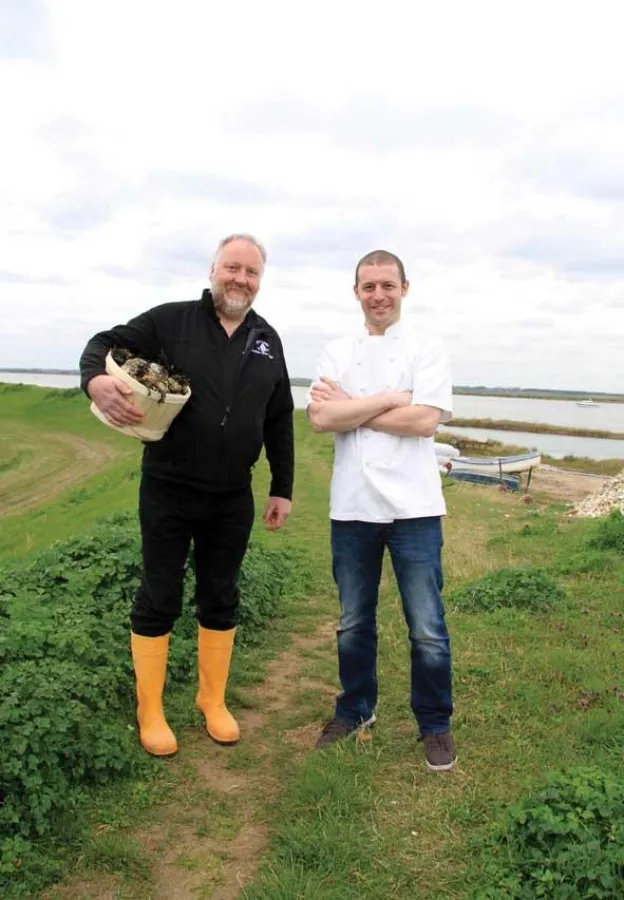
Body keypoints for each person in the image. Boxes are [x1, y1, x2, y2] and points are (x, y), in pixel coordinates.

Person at [79, 234, 294, 758]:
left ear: (260, 281)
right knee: (160, 595)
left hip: (231, 496)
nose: (240, 279)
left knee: (221, 594)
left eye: (251, 272)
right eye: (232, 268)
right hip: (168, 488)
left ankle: (211, 699)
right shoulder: (170, 320)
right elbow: (102, 343)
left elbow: (279, 415)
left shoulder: (267, 340)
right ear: (213, 269)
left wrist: (282, 488)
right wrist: (94, 381)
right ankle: (149, 709)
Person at [306, 249, 456, 771]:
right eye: (368, 286)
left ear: (404, 289)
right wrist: (393, 399)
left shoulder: (427, 348)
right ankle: (355, 710)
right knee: (352, 621)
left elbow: (425, 423)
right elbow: (322, 419)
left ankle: (435, 724)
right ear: (356, 293)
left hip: (414, 507)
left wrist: (355, 406)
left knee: (427, 625)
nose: (378, 295)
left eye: (387, 285)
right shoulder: (336, 350)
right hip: (352, 506)